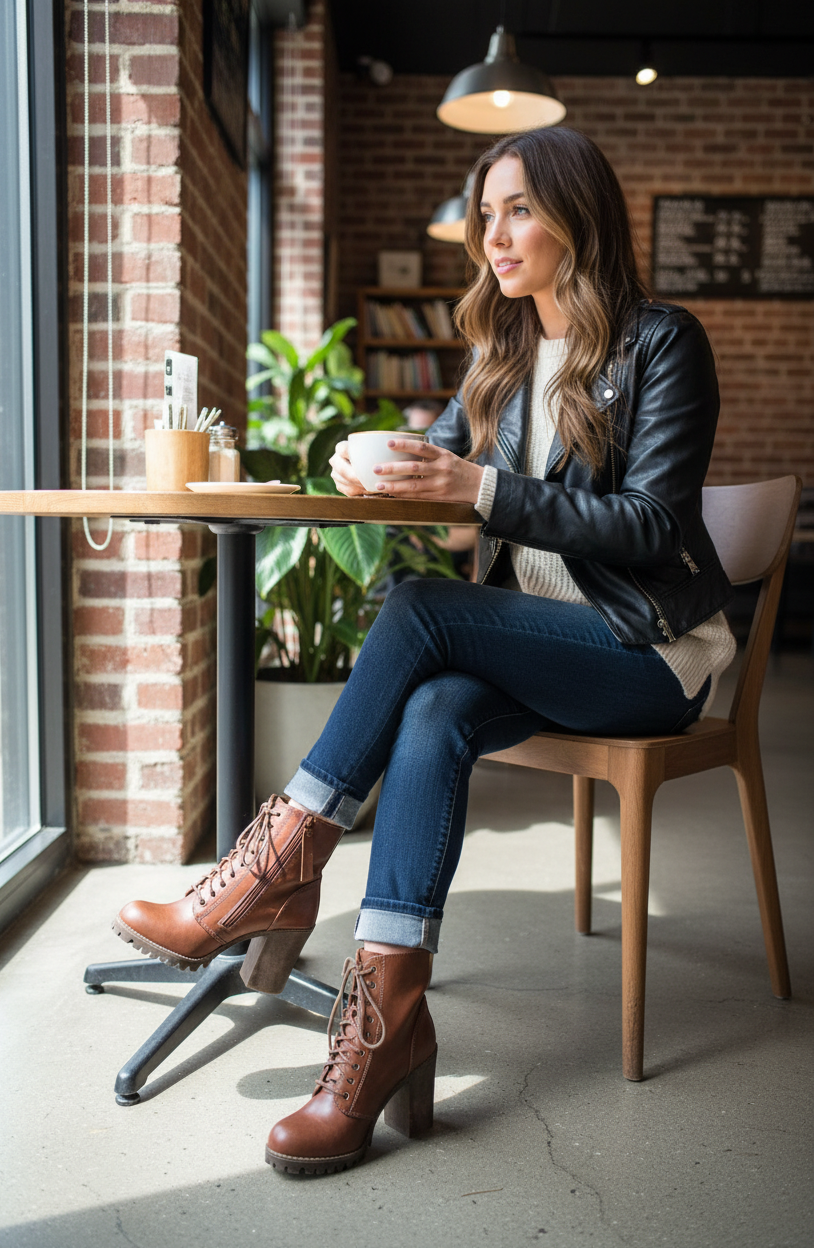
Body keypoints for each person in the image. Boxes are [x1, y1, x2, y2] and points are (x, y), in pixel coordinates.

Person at [113, 127, 736, 1177]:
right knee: (439, 706)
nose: (494, 233)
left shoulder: (661, 343)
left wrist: (477, 490)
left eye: (520, 209)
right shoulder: (499, 360)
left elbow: (650, 528)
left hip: (648, 655)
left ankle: (270, 870)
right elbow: (435, 467)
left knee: (416, 608)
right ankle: (383, 1025)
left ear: (578, 217)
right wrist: (374, 458)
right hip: (541, 651)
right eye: (485, 211)